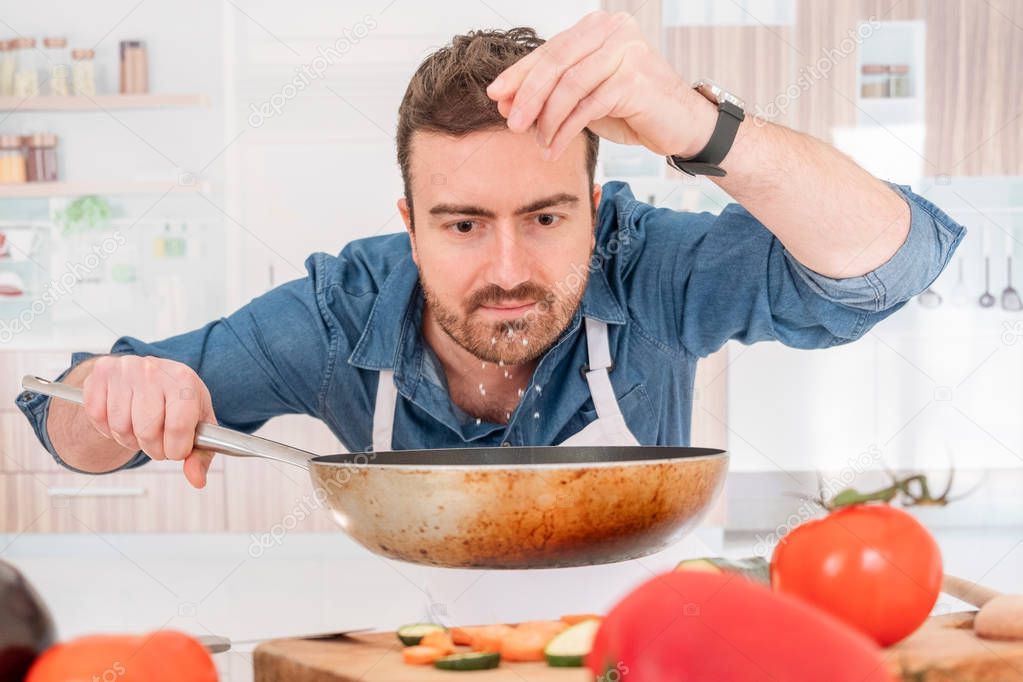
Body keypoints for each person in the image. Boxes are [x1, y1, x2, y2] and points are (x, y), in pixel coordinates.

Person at [16, 13, 964, 623]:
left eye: (546, 218)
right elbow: (69, 429)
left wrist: (696, 125)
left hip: (646, 639)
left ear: (594, 212)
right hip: (408, 645)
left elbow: (889, 266)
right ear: (410, 227)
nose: (508, 271)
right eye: (463, 224)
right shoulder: (337, 311)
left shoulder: (646, 267)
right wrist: (119, 396)